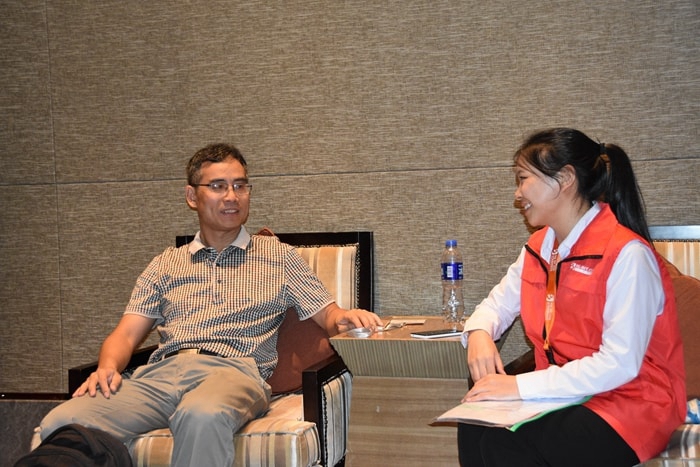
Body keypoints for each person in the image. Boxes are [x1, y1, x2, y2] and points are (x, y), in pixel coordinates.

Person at [38, 143, 382, 467]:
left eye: (240, 186)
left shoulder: (279, 257)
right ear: (192, 196)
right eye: (218, 186)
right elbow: (126, 334)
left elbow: (329, 314)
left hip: (234, 372)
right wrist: (107, 367)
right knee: (63, 420)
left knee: (201, 414)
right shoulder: (165, 264)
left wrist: (345, 318)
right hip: (160, 376)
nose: (232, 196)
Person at [458, 128, 686, 466]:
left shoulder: (627, 254)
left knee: (508, 443)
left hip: (632, 403)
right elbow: (495, 305)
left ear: (564, 179)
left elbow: (619, 364)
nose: (518, 194)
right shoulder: (538, 248)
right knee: (473, 423)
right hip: (566, 394)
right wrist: (479, 333)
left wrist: (520, 387)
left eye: (523, 179)